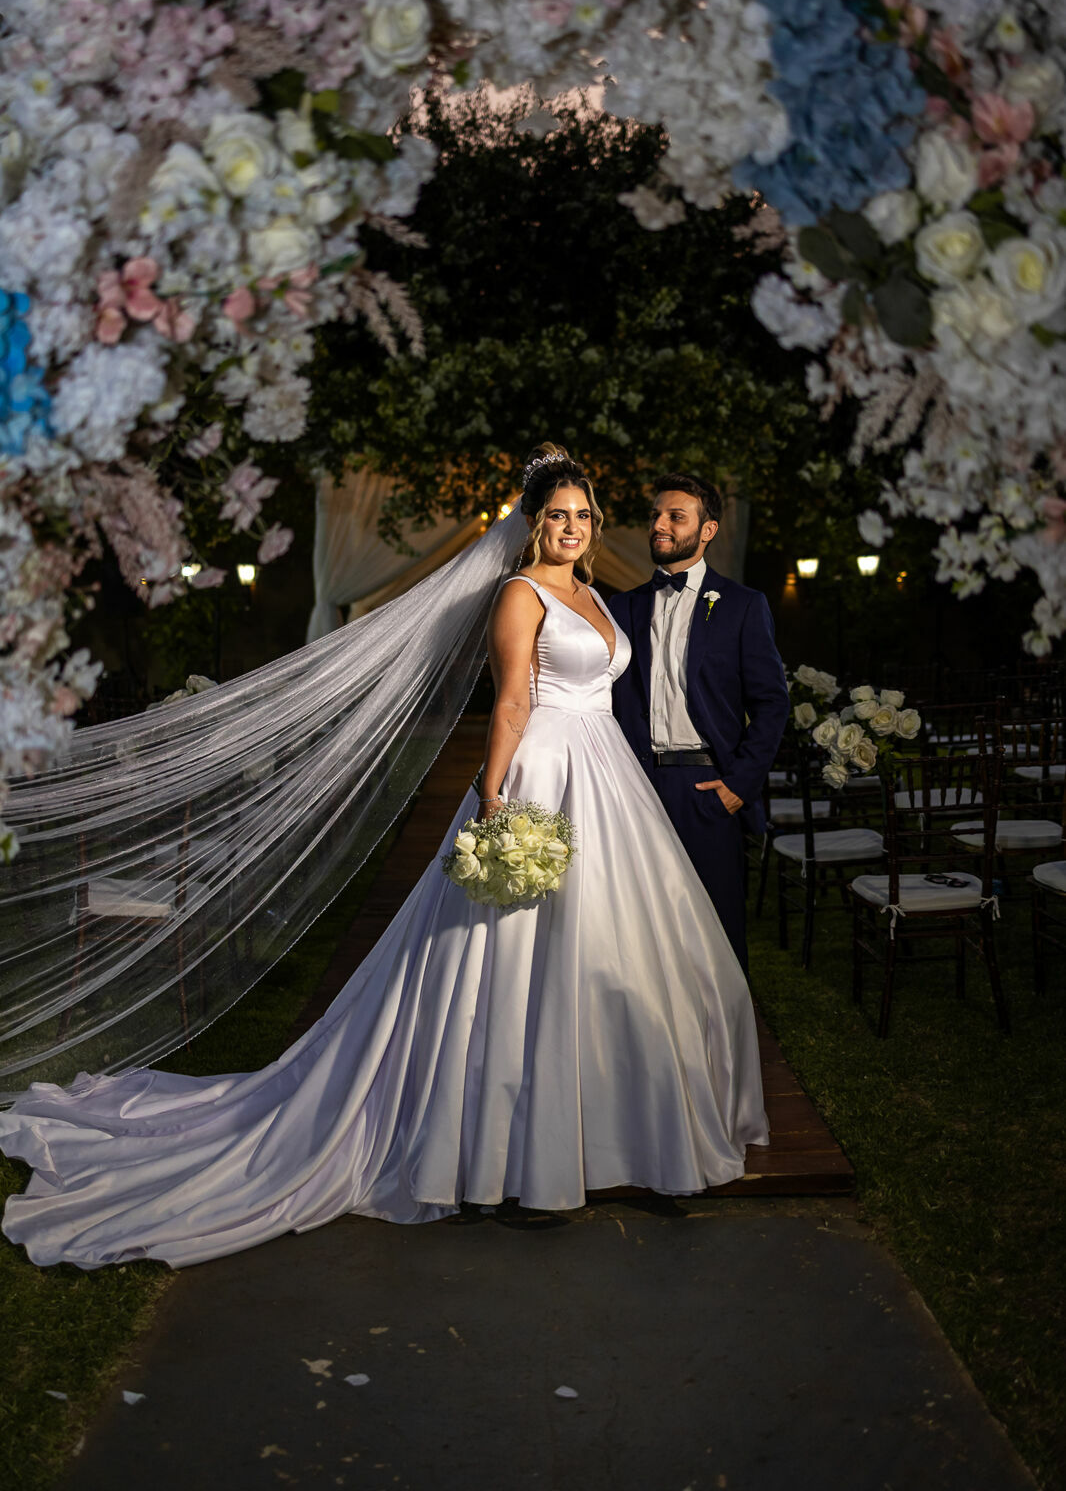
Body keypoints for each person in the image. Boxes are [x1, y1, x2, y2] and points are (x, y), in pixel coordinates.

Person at [0, 446, 768, 1269]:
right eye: (558, 516)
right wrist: (494, 796)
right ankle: (496, 1144)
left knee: (612, 949)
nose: (572, 528)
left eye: (583, 515)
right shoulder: (520, 593)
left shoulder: (597, 595)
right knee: (514, 955)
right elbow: (512, 700)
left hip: (607, 774)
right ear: (533, 523)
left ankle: (610, 1124)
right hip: (543, 771)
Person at [609, 474, 790, 975]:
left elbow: (772, 703)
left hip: (707, 787)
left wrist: (738, 786)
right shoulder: (620, 607)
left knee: (716, 934)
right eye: (656, 515)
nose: (659, 525)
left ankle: (723, 1026)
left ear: (707, 530)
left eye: (675, 516)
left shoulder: (742, 605)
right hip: (636, 787)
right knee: (640, 930)